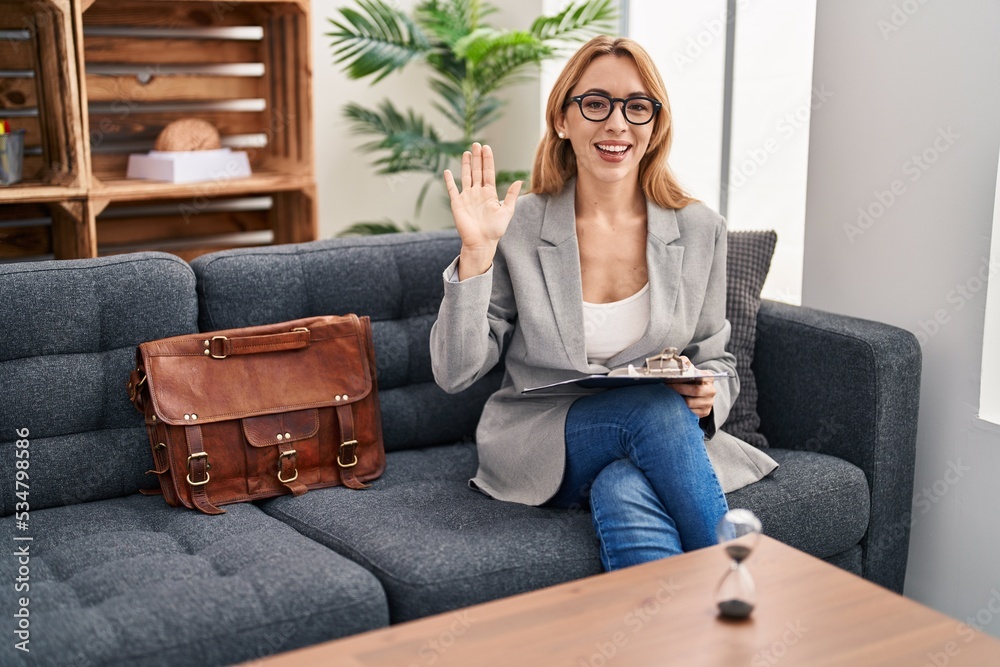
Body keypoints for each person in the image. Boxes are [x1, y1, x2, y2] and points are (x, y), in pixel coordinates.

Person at [429, 35, 777, 571]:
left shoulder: (700, 229)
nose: (617, 124)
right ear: (563, 119)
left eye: (637, 107)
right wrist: (476, 253)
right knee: (653, 409)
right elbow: (455, 373)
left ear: (654, 126)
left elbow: (717, 359)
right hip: (544, 435)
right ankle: (736, 581)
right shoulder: (518, 226)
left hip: (656, 438)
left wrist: (708, 397)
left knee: (624, 486)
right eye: (596, 103)